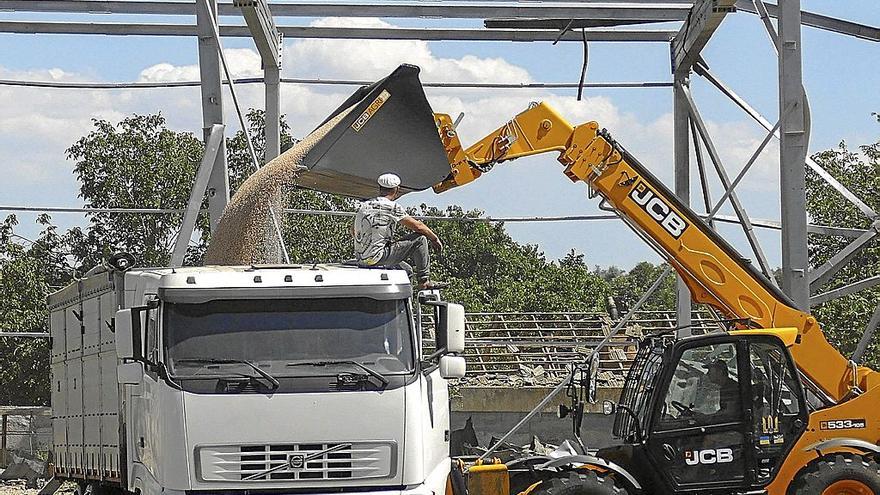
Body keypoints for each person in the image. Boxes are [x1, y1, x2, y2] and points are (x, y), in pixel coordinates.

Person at [354, 173, 448, 290]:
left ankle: (406, 298)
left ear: (380, 188)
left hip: (361, 259)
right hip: (378, 258)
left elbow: (353, 231)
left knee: (406, 270)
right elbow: (418, 226)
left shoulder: (364, 206)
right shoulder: (391, 207)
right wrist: (434, 239)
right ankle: (424, 280)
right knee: (420, 238)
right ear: (397, 189)